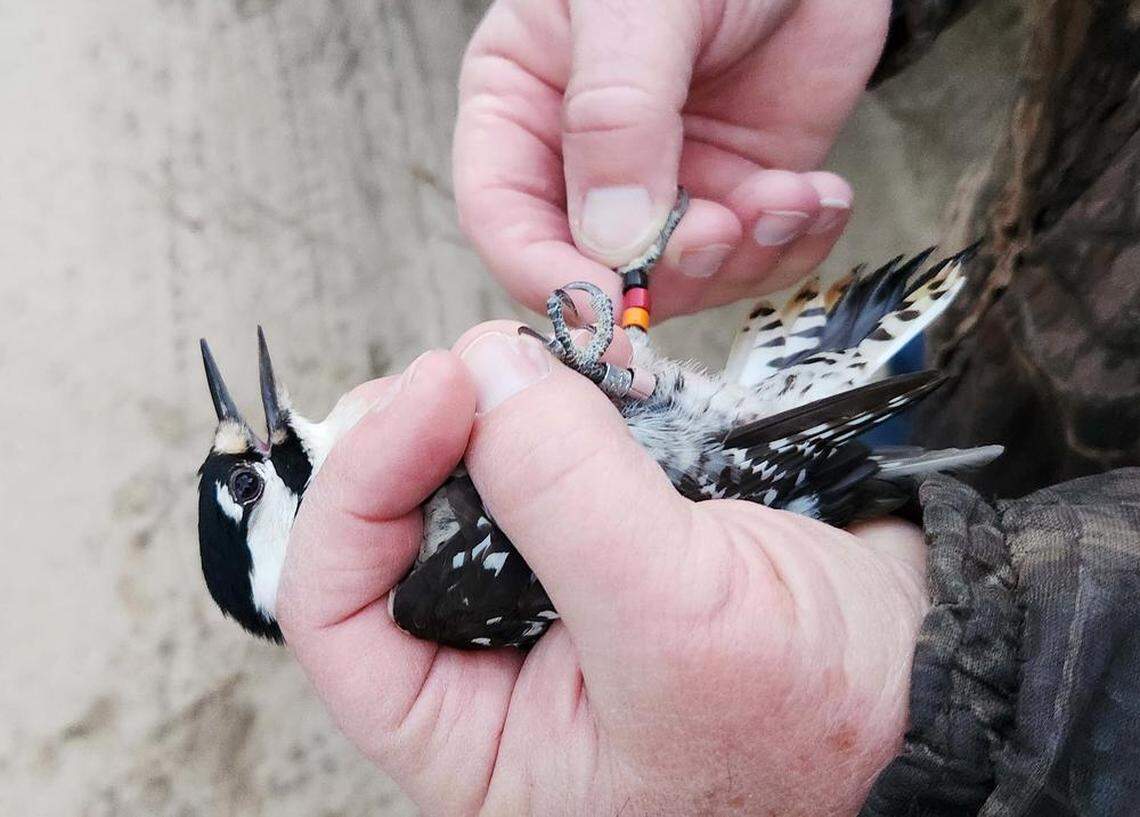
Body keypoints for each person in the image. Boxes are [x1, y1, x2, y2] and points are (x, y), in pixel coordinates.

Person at [275, 2, 1140, 815]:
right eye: (250, 482)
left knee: (979, 422)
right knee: (985, 416)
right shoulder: (432, 599)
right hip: (991, 382)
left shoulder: (409, 567)